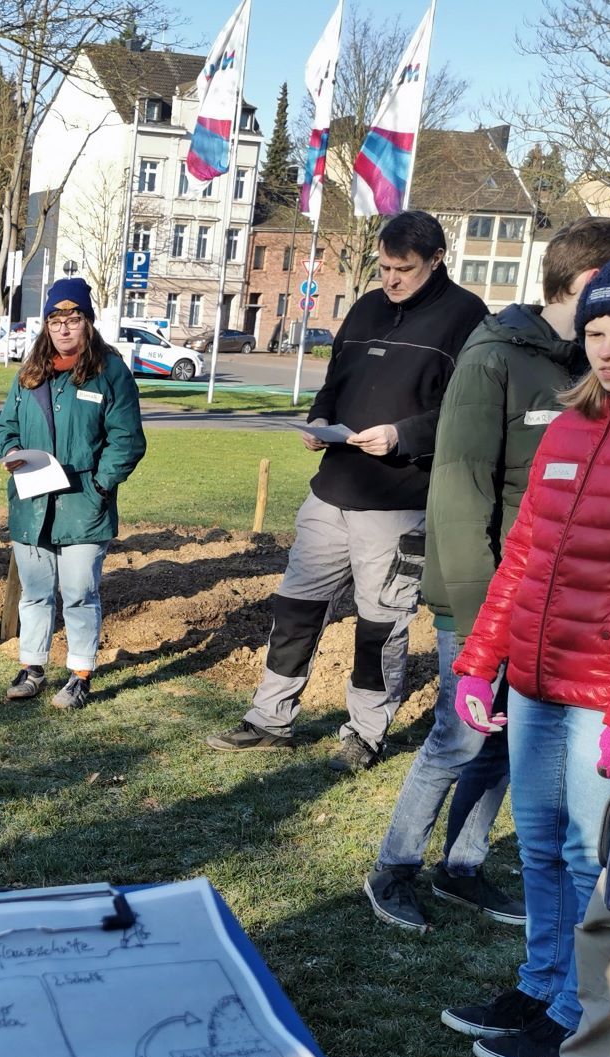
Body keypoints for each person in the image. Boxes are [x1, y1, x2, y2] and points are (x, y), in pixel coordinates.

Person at [441, 228, 610, 1057]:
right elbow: (526, 557)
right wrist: (481, 659)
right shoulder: (575, 422)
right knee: (544, 844)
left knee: (596, 861)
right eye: (596, 332)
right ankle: (542, 983)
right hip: (539, 681)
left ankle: (582, 1019)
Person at [365, 218, 610, 933]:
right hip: (485, 600)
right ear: (587, 285)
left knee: (501, 741)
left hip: (560, 604)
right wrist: (477, 614)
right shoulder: (494, 357)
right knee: (458, 738)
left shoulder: (597, 363)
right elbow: (460, 492)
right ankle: (393, 868)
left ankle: (461, 867)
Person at [207, 211, 488, 772]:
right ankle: (270, 718)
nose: (391, 279)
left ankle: (365, 731)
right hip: (332, 489)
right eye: (383, 267)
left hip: (400, 500)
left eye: (403, 269)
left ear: (437, 260)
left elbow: (469, 413)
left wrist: (403, 436)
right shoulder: (364, 308)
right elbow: (335, 381)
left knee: (380, 622)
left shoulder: (467, 318)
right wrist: (320, 418)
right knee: (295, 607)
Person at [0, 277, 147, 710]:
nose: (63, 328)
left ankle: (80, 674)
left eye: (72, 318)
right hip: (32, 501)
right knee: (36, 592)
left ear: (88, 322)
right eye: (54, 320)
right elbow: (6, 426)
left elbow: (128, 440)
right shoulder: (29, 373)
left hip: (84, 504)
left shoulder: (109, 372)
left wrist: (100, 484)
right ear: (45, 325)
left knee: (79, 592)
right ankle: (32, 667)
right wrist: (9, 452)